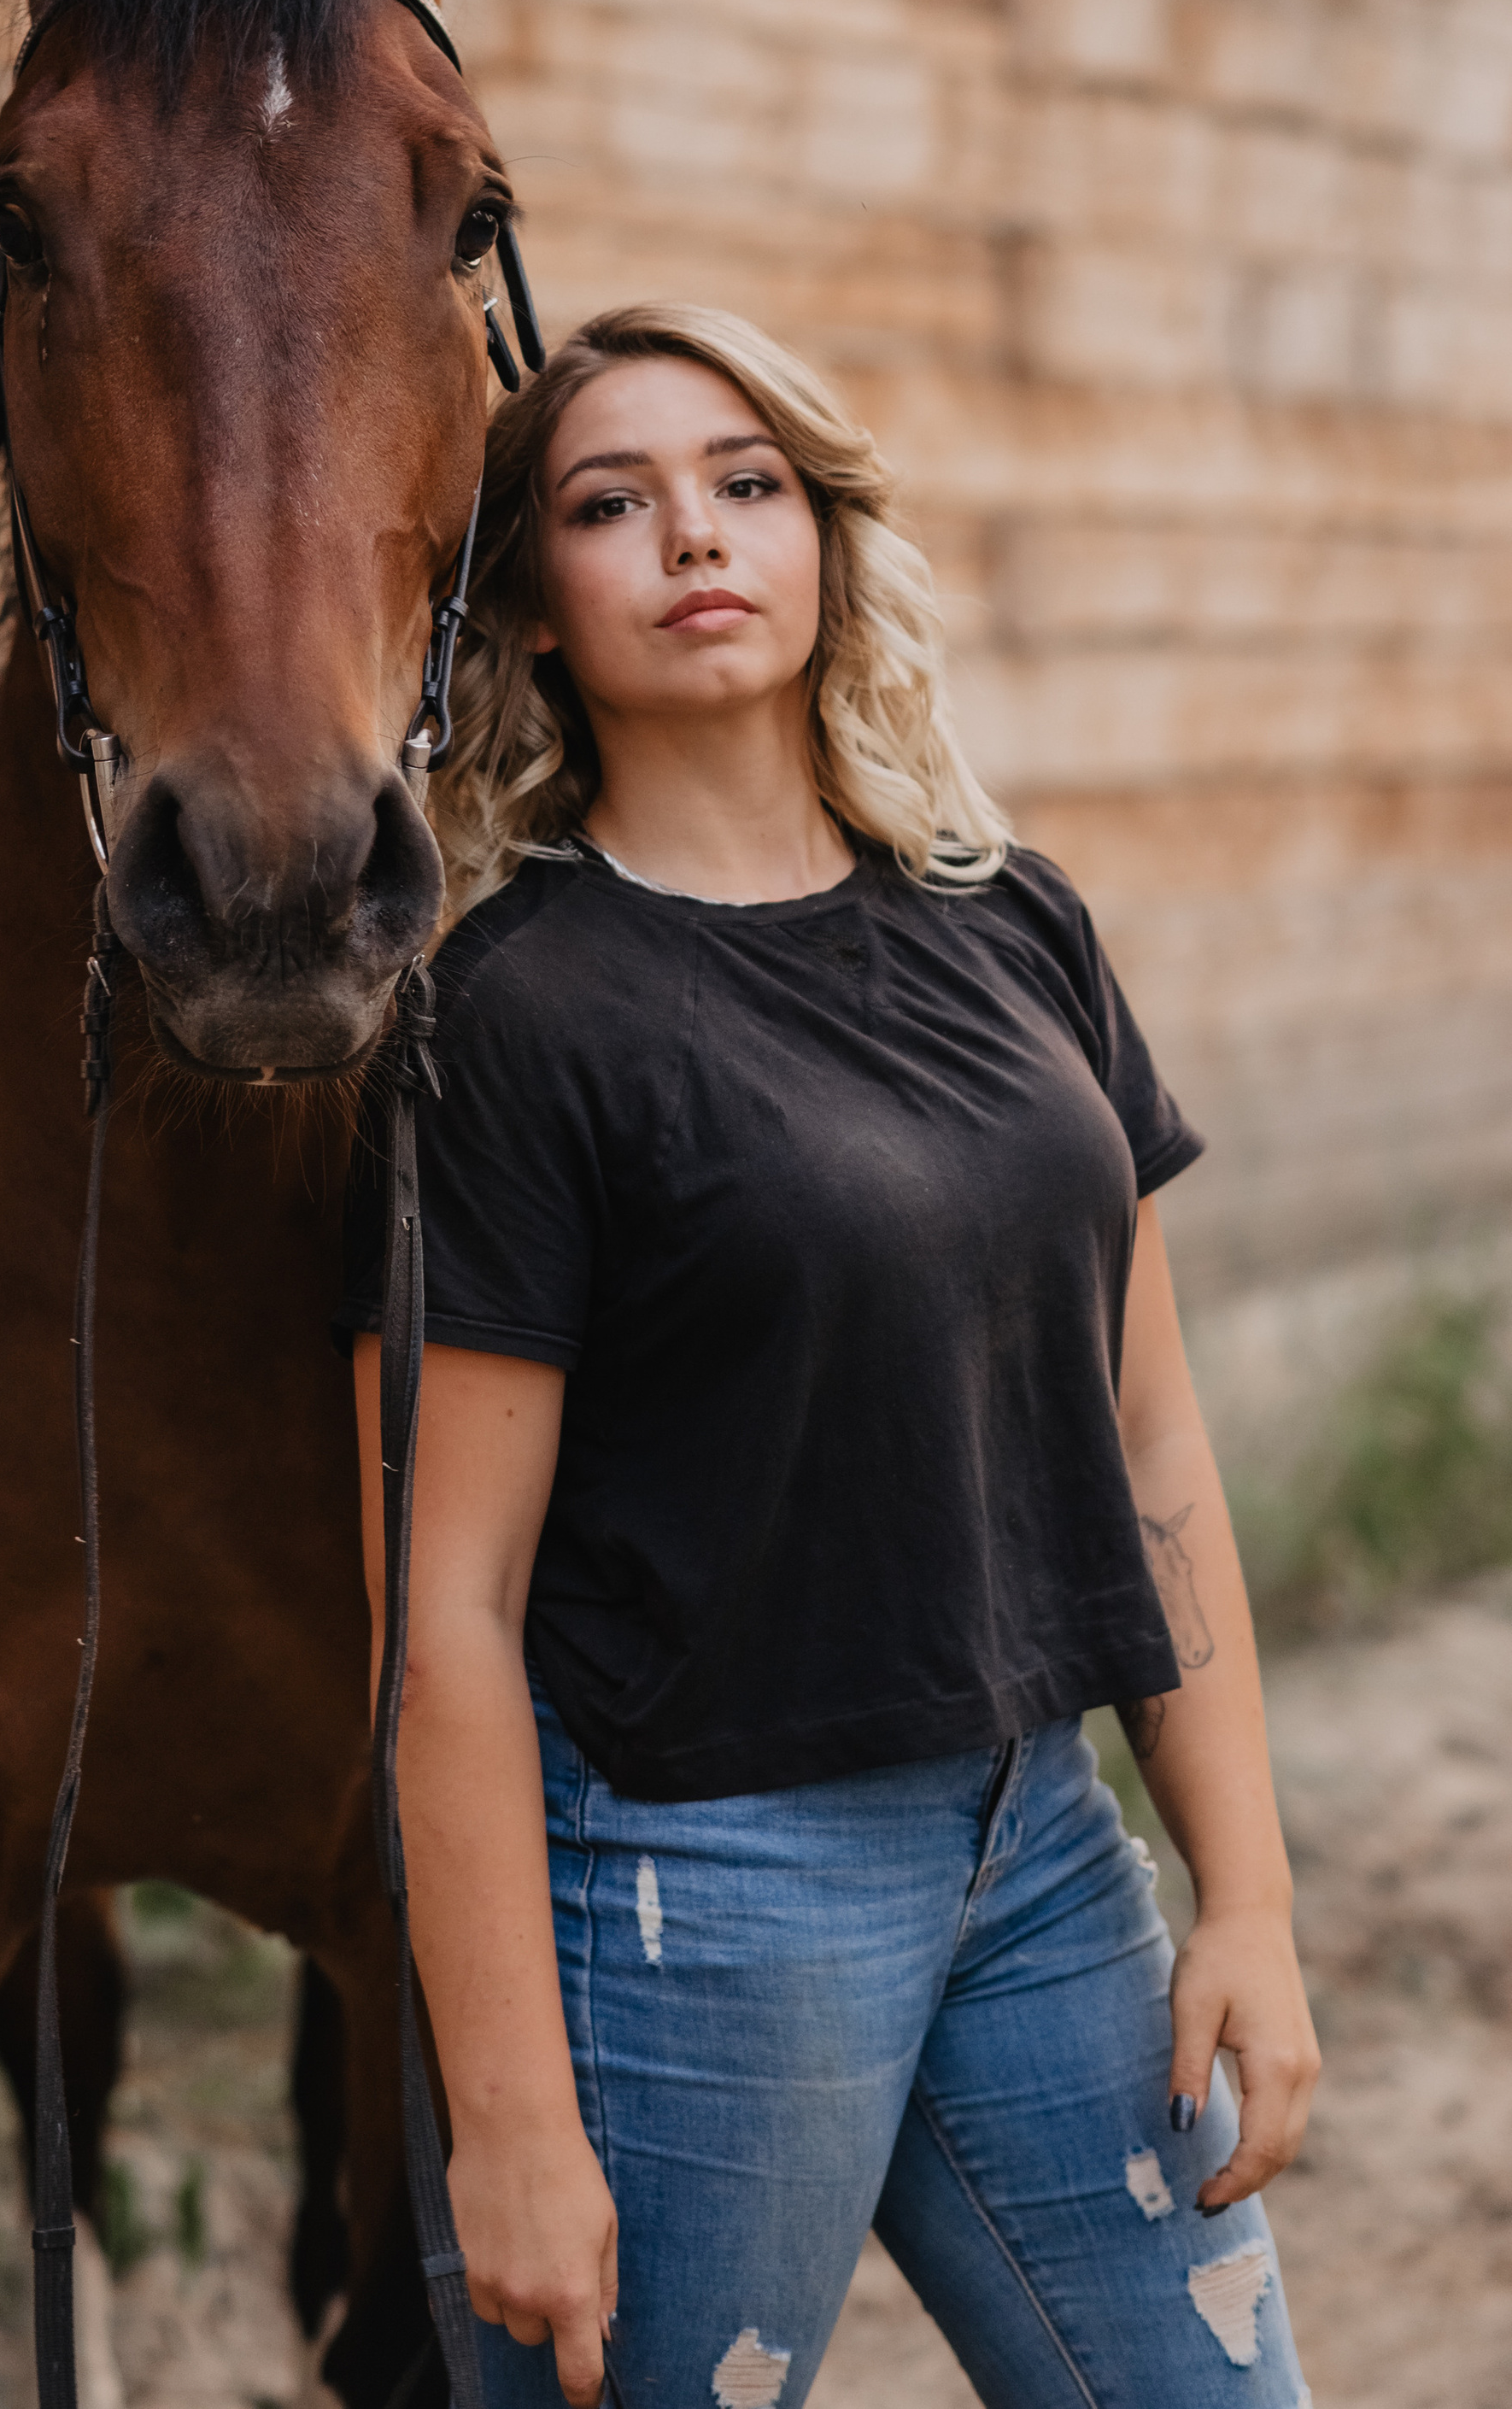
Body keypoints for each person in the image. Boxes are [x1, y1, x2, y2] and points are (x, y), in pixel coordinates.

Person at [341, 304, 1318, 2409]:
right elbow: (445, 1612)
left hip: (1039, 1849)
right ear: (526, 607)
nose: (692, 536)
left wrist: (1238, 1890)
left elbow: (1148, 1435)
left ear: (820, 537)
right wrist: (506, 2111)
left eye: (745, 482)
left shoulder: (1009, 920)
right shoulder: (508, 1023)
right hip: (698, 1897)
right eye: (612, 504)